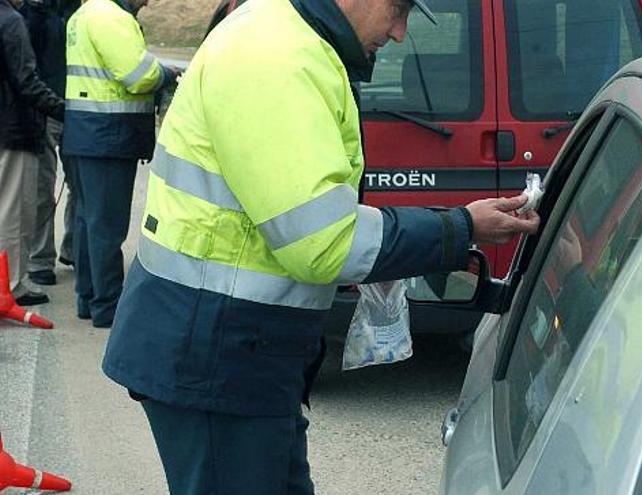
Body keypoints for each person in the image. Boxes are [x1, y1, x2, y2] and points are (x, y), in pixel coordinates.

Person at [100, 0, 540, 493]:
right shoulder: (277, 59)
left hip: (237, 350)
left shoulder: (288, 37)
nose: (400, 33)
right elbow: (323, 243)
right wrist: (458, 228)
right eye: (399, 10)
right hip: (218, 358)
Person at [62, 0, 179, 327]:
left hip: (86, 133)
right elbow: (137, 76)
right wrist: (166, 73)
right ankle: (108, 305)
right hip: (108, 137)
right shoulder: (111, 17)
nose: (147, 2)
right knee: (107, 227)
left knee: (89, 221)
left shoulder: (84, 13)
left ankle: (88, 298)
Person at [0, 0, 65, 306]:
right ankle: (11, 285)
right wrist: (63, 109)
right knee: (14, 213)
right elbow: (26, 80)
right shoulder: (11, 20)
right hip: (14, 128)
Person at [20, 0, 79, 286]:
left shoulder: (81, 11)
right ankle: (39, 259)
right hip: (46, 108)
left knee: (81, 186)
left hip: (78, 107)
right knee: (43, 187)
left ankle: (74, 249)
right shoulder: (33, 12)